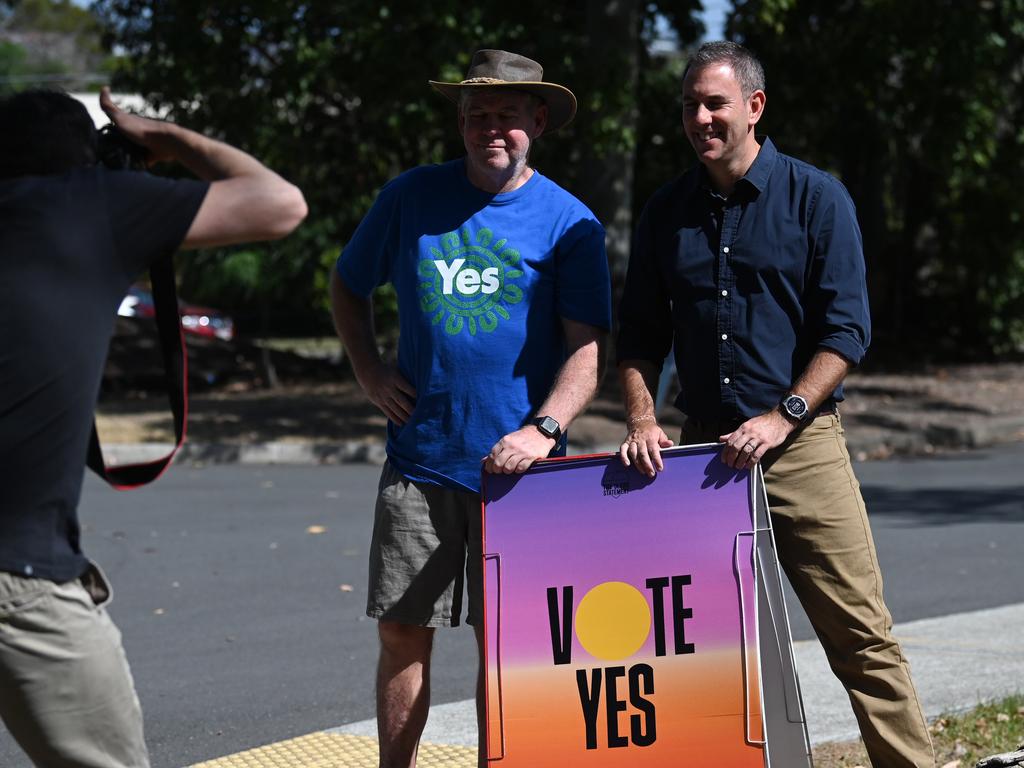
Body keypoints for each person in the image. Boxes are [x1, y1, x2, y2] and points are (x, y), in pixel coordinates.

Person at [616, 41, 935, 768]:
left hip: (801, 446)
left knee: (859, 635)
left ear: (754, 107)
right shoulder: (667, 212)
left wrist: (783, 415)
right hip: (701, 458)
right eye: (690, 104)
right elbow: (636, 338)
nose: (700, 117)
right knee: (709, 653)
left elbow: (847, 330)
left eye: (714, 103)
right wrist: (642, 418)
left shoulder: (816, 198)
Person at [0, 88, 307, 768]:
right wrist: (167, 141)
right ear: (86, 161)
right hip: (18, 579)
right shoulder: (90, 203)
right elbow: (279, 203)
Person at [330, 49, 610, 768]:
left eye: (507, 115)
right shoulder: (410, 198)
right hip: (419, 458)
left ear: (537, 122)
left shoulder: (569, 221)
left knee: (508, 646)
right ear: (460, 122)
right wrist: (367, 369)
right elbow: (348, 283)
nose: (493, 128)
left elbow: (586, 351)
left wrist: (544, 429)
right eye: (478, 114)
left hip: (521, 476)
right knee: (401, 634)